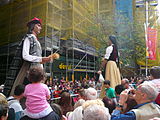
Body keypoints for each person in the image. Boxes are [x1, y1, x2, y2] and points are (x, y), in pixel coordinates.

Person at [7, 17, 52, 96]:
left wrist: (45, 60)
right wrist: (41, 59)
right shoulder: (28, 38)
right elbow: (25, 56)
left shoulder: (36, 40)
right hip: (30, 71)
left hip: (37, 72)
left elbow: (37, 58)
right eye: (38, 25)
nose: (40, 28)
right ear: (33, 26)